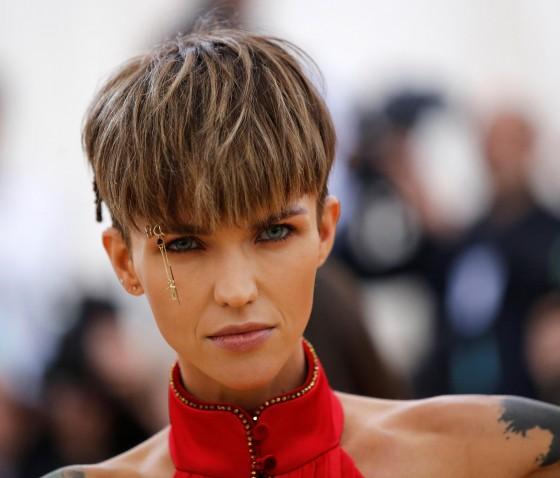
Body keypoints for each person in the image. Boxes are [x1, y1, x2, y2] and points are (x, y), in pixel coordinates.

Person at [43, 25, 560, 478]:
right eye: (183, 244)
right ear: (125, 263)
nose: (237, 290)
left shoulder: (512, 455)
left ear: (325, 231)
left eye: (272, 233)